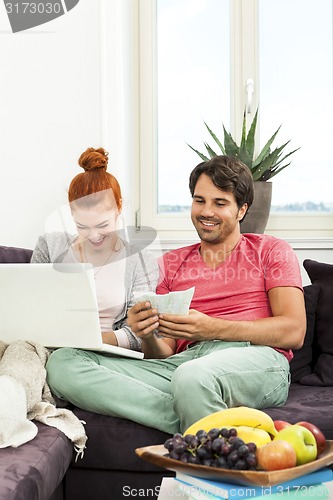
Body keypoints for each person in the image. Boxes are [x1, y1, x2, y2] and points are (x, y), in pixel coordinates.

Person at [46, 155, 306, 434]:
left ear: (242, 210)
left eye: (220, 203)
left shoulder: (270, 250)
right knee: (63, 363)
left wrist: (213, 328)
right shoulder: (170, 264)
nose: (207, 211)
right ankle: (209, 419)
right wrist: (146, 333)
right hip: (182, 365)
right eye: (199, 200)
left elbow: (294, 331)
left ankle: (205, 439)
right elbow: (163, 352)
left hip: (256, 358)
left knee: (193, 378)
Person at [31, 147, 159, 352]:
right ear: (71, 214)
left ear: (119, 207)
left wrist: (89, 340)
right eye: (82, 226)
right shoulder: (50, 246)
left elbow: (141, 332)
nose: (93, 236)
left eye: (102, 225)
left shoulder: (140, 260)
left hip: (103, 353)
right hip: (46, 347)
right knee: (19, 351)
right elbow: (30, 306)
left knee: (65, 361)